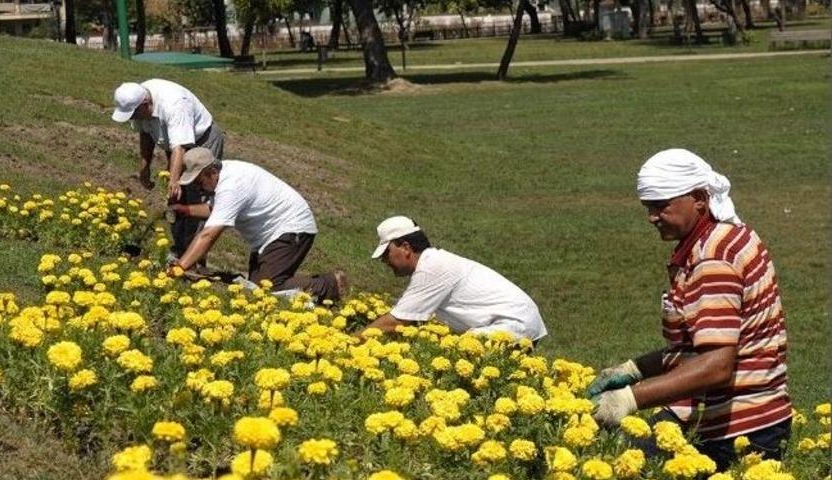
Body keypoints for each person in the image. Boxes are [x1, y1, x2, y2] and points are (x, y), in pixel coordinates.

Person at [589, 148, 791, 470]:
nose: (652, 217)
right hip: (744, 415)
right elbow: (696, 348)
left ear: (699, 198)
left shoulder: (714, 258)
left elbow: (716, 365)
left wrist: (629, 399)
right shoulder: (726, 237)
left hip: (740, 430)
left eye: (661, 205)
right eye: (648, 207)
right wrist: (633, 369)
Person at [167, 148, 345, 301]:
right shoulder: (225, 174)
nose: (198, 188)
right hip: (273, 234)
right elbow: (217, 209)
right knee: (255, 285)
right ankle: (298, 280)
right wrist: (186, 210)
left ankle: (330, 285)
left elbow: (208, 235)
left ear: (210, 172)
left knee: (267, 289)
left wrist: (179, 268)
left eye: (199, 182)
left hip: (293, 228)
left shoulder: (231, 186)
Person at [358, 216, 547, 342]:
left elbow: (396, 321)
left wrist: (350, 342)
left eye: (386, 253)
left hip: (514, 323)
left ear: (405, 247)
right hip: (519, 320)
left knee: (460, 351)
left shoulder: (432, 268)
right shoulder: (433, 263)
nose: (384, 261)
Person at [111, 79, 224, 259]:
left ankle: (193, 259)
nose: (132, 118)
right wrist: (145, 166)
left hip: (202, 143)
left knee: (197, 198)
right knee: (175, 198)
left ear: (145, 104)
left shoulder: (174, 104)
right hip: (175, 145)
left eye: (133, 114)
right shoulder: (137, 100)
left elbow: (180, 147)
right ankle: (180, 249)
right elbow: (145, 133)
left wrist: (174, 181)